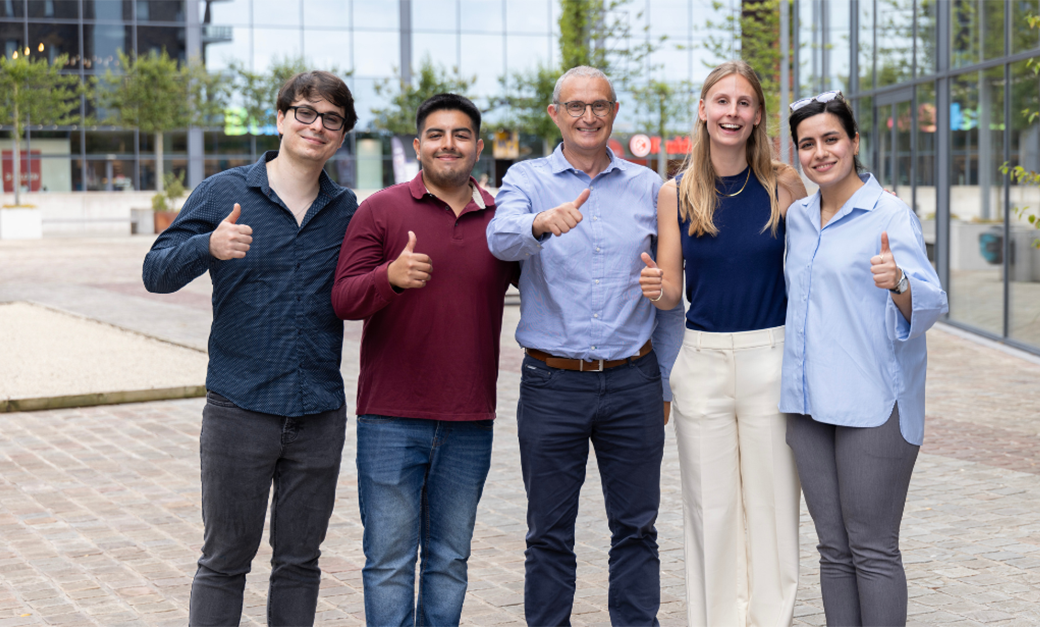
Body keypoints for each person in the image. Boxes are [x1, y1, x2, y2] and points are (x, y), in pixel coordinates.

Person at [141, 71, 358, 627]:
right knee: (224, 562)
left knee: (300, 563)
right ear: (281, 117)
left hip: (318, 413)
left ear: (342, 134)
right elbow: (155, 272)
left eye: (332, 119)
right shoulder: (223, 192)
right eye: (306, 113)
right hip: (239, 410)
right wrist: (207, 244)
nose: (317, 126)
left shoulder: (347, 210)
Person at [486, 65, 685, 627]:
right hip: (552, 383)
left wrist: (664, 381)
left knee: (637, 528)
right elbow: (500, 239)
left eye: (598, 105)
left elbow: (671, 298)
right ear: (556, 114)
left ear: (614, 112)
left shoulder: (651, 187)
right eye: (575, 106)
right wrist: (542, 224)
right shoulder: (526, 180)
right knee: (548, 531)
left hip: (633, 381)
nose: (587, 116)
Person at [331, 93, 517, 627]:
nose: (448, 144)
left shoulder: (501, 221)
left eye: (461, 135)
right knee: (388, 563)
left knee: (449, 561)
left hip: (470, 419)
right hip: (390, 418)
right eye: (436, 134)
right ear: (418, 146)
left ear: (478, 147)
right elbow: (342, 299)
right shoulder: (381, 209)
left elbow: (552, 291)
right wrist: (387, 278)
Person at [638, 60, 808, 627]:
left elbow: (809, 274)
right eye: (721, 101)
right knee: (710, 512)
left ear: (758, 115)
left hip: (772, 357)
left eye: (743, 103)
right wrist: (657, 288)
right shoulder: (676, 193)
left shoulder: (784, 184)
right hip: (703, 363)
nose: (731, 112)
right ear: (705, 111)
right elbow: (670, 297)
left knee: (774, 509)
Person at [782, 91, 947, 626]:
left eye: (831, 139)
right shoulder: (799, 218)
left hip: (873, 404)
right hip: (808, 407)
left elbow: (931, 302)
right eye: (807, 144)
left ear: (854, 142)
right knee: (833, 549)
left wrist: (897, 281)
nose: (820, 152)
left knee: (872, 549)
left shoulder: (890, 214)